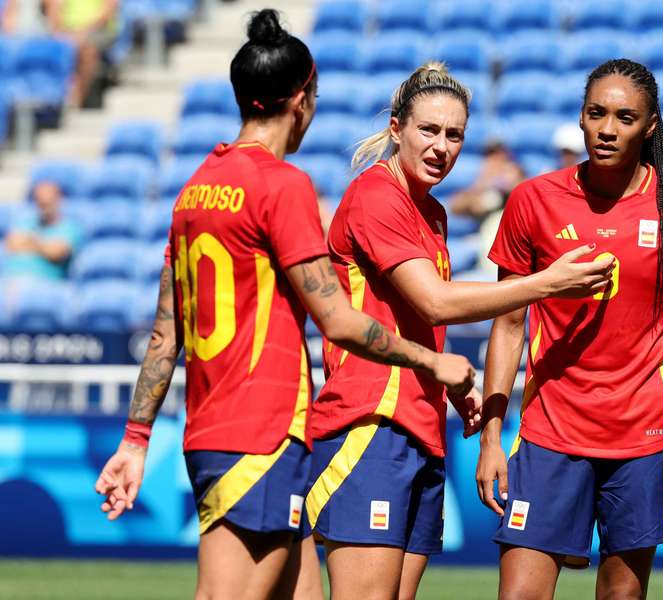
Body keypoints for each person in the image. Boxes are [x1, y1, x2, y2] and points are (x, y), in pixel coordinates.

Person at [92, 12, 475, 600]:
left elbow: (166, 335)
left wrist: (136, 439)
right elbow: (339, 320)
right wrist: (431, 362)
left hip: (222, 425)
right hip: (261, 428)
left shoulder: (194, 189)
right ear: (302, 99)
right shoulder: (282, 186)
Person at [303, 62, 616, 600]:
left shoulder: (433, 213)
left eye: (454, 135)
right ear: (397, 127)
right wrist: (546, 283)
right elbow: (436, 301)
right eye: (428, 130)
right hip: (368, 424)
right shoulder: (377, 195)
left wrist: (448, 382)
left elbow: (412, 317)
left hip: (419, 430)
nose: (441, 147)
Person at [476, 58, 663, 600]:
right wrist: (492, 436)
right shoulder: (533, 201)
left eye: (624, 117)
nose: (607, 129)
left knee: (621, 595)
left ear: (651, 125)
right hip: (549, 434)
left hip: (645, 437)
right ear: (581, 117)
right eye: (596, 114)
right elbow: (507, 324)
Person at [44, 0, 119, 106]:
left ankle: (75, 100)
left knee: (86, 50)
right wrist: (59, 32)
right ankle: (58, 99)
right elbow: (53, 9)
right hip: (67, 31)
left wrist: (81, 33)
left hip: (98, 31)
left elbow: (107, 12)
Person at [3, 180, 81, 280]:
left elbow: (57, 252)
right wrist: (43, 246)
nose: (43, 205)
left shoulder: (70, 227)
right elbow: (11, 243)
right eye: (40, 202)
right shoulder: (25, 222)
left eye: (48, 202)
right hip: (10, 280)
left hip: (42, 284)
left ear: (59, 199)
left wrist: (29, 242)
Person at [449, 139, 524, 221]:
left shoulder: (514, 172)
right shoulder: (483, 180)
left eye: (498, 154)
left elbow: (522, 195)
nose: (494, 160)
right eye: (490, 155)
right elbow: (455, 207)